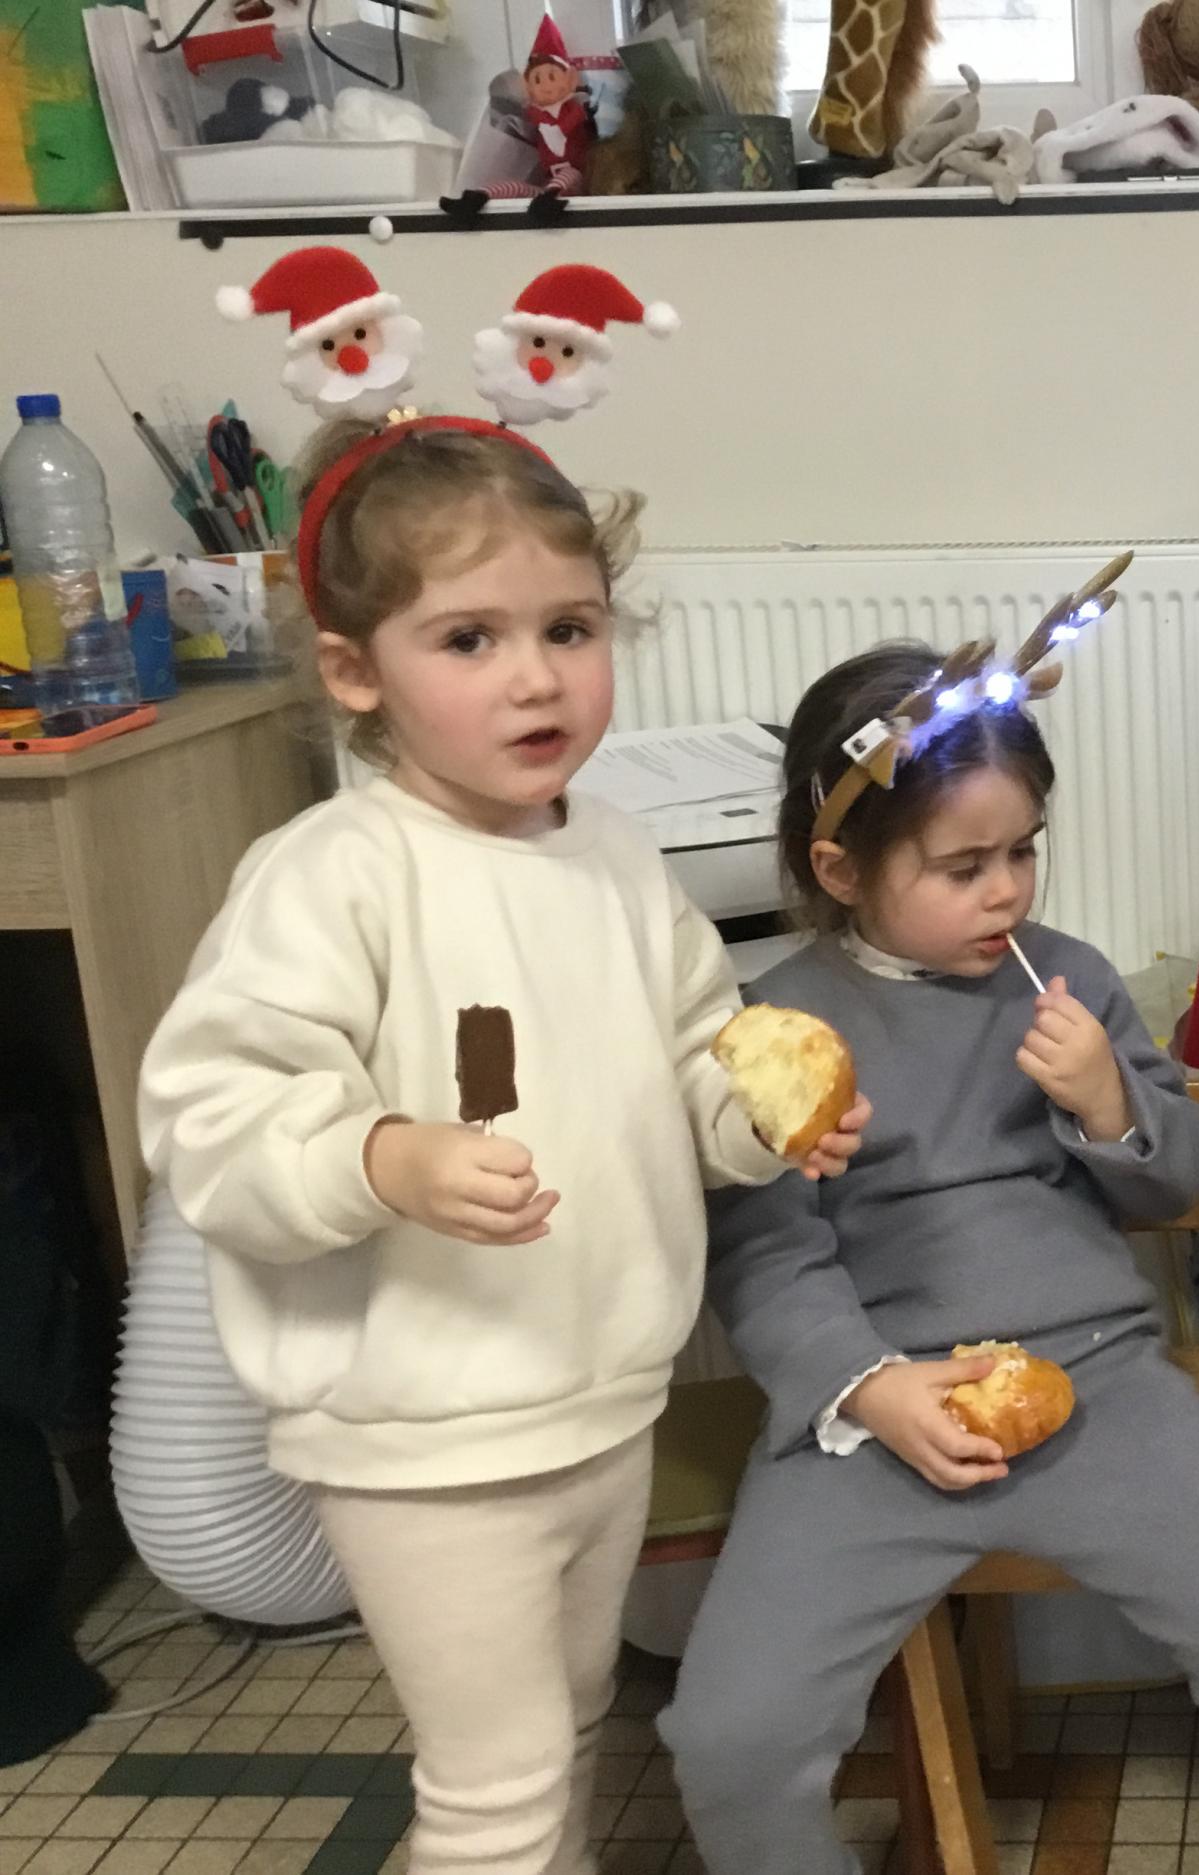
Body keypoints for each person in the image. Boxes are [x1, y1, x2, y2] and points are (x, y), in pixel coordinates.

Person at [136, 415, 840, 1875]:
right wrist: (379, 1157)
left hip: (602, 1398)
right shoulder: (334, 873)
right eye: (470, 638)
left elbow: (695, 1056)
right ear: (356, 673)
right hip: (423, 1437)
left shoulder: (617, 855)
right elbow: (213, 1116)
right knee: (498, 1788)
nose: (536, 676)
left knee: (562, 1735)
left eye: (568, 628)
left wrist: (761, 1120)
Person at [658, 641, 1199, 1875]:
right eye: (963, 867)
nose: (1005, 891)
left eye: (1023, 851)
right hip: (872, 1410)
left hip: (1099, 1381)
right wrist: (868, 1389)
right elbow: (761, 1258)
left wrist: (1112, 1101)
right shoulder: (776, 1030)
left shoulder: (1071, 980)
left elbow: (1180, 1175)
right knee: (730, 1736)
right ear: (839, 871)